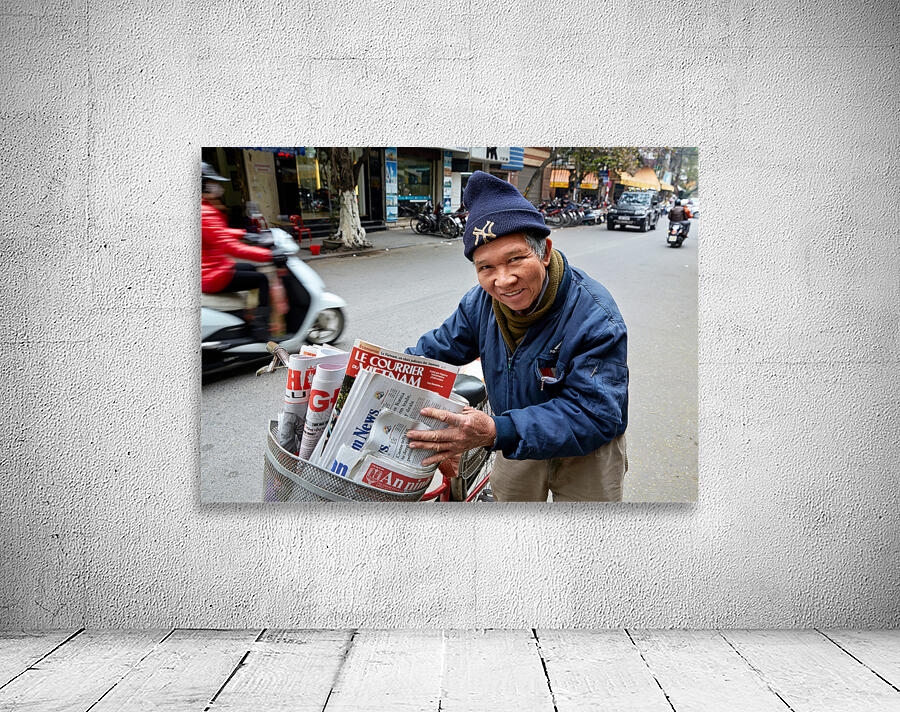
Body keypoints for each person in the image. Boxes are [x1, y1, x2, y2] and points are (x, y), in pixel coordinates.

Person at [404, 171, 628, 502]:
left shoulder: (595, 316)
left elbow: (595, 414)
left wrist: (497, 430)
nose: (503, 280)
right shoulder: (479, 303)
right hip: (516, 441)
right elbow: (434, 351)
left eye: (515, 259)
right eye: (486, 268)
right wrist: (367, 375)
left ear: (545, 252)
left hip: (587, 449)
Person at [201, 162, 273, 341]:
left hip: (211, 268)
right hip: (213, 274)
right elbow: (230, 247)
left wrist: (246, 233)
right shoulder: (207, 212)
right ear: (204, 185)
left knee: (250, 269)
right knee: (262, 279)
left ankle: (247, 313)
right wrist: (269, 255)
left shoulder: (204, 209)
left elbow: (219, 234)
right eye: (213, 183)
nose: (218, 187)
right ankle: (260, 326)